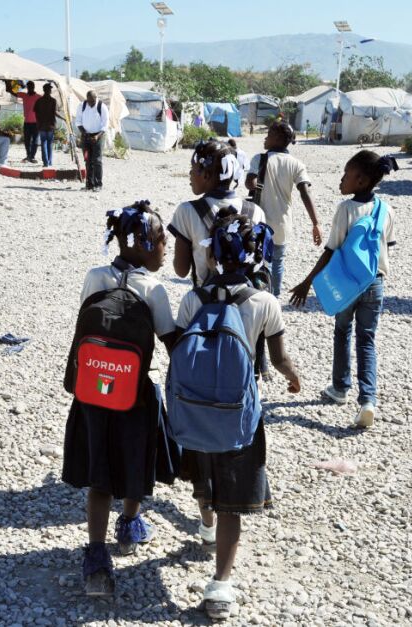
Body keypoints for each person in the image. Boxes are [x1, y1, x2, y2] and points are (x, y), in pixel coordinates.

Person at [175, 212, 301, 621]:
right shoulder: (264, 303)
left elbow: (178, 351)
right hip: (239, 415)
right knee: (232, 500)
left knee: (202, 473)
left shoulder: (192, 298)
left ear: (212, 255)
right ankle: (221, 586)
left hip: (194, 408)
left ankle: (206, 527)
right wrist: (293, 377)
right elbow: (279, 358)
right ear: (258, 257)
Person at [62, 201, 179, 597]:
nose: (165, 248)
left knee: (100, 473)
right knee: (133, 463)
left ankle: (95, 557)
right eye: (162, 241)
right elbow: (170, 340)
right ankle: (129, 524)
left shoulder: (95, 277)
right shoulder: (153, 289)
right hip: (134, 397)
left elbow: (83, 325)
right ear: (145, 245)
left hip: (93, 393)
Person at [288, 150, 397, 428]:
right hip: (375, 284)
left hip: (348, 285)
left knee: (342, 331)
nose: (341, 180)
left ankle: (340, 388)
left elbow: (330, 251)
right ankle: (368, 400)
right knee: (367, 340)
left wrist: (307, 281)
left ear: (360, 181)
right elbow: (387, 248)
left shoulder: (346, 209)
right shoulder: (386, 210)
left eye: (346, 175)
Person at [169, 140, 264, 288]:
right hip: (247, 301)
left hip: (207, 302)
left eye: (192, 169)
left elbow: (181, 270)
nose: (190, 174)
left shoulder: (187, 211)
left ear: (206, 175)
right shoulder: (255, 211)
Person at [245, 121, 323, 298]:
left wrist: (258, 184)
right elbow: (305, 192)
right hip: (281, 224)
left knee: (259, 262)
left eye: (269, 133)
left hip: (259, 222)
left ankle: (259, 296)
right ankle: (275, 298)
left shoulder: (260, 159)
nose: (265, 137)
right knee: (278, 262)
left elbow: (249, 182)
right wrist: (316, 223)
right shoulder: (296, 164)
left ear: (278, 138)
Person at [76, 90, 109, 191]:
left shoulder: (102, 107)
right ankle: (89, 184)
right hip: (85, 136)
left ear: (96, 98)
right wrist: (84, 133)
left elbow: (105, 125)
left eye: (92, 101)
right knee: (87, 160)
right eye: (89, 101)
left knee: (97, 161)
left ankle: (98, 184)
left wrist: (97, 136)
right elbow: (78, 122)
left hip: (98, 136)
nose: (90, 103)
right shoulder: (82, 106)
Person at [34, 83, 62, 168]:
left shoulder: (39, 101)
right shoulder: (53, 101)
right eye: (50, 89)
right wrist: (63, 118)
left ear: (43, 90)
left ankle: (46, 162)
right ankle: (49, 162)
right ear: (49, 91)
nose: (50, 91)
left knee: (44, 143)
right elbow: (55, 113)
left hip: (42, 125)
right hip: (50, 125)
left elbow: (36, 113)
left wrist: (38, 123)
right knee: (49, 143)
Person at [15, 81, 41, 163]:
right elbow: (11, 92)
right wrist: (8, 83)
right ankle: (28, 155)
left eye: (31, 86)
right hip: (26, 122)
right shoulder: (24, 96)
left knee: (35, 141)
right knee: (27, 140)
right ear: (27, 87)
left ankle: (32, 156)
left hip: (36, 122)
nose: (30, 88)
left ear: (33, 87)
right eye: (28, 86)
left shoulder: (39, 97)